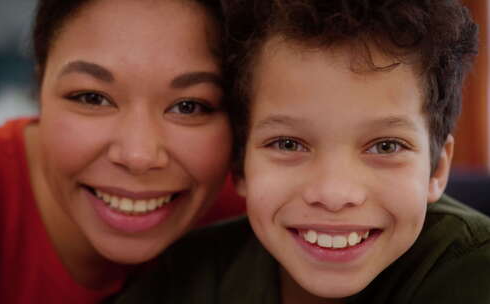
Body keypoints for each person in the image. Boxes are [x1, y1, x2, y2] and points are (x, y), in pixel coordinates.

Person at [114, 0, 490, 303]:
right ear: (240, 165)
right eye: (288, 144)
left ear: (437, 170)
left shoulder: (473, 270)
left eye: (386, 146)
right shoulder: (184, 277)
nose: (333, 195)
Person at [0, 0, 245, 303]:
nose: (138, 156)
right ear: (40, 90)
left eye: (189, 106)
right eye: (92, 98)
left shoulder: (262, 215)